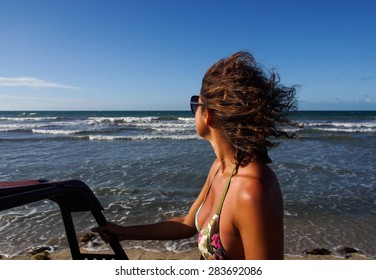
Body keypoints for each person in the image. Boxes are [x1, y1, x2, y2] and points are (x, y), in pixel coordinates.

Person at [93, 51, 298, 260]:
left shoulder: (253, 190)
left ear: (207, 114)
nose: (193, 112)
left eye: (195, 105)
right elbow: (187, 224)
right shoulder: (219, 167)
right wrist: (123, 232)